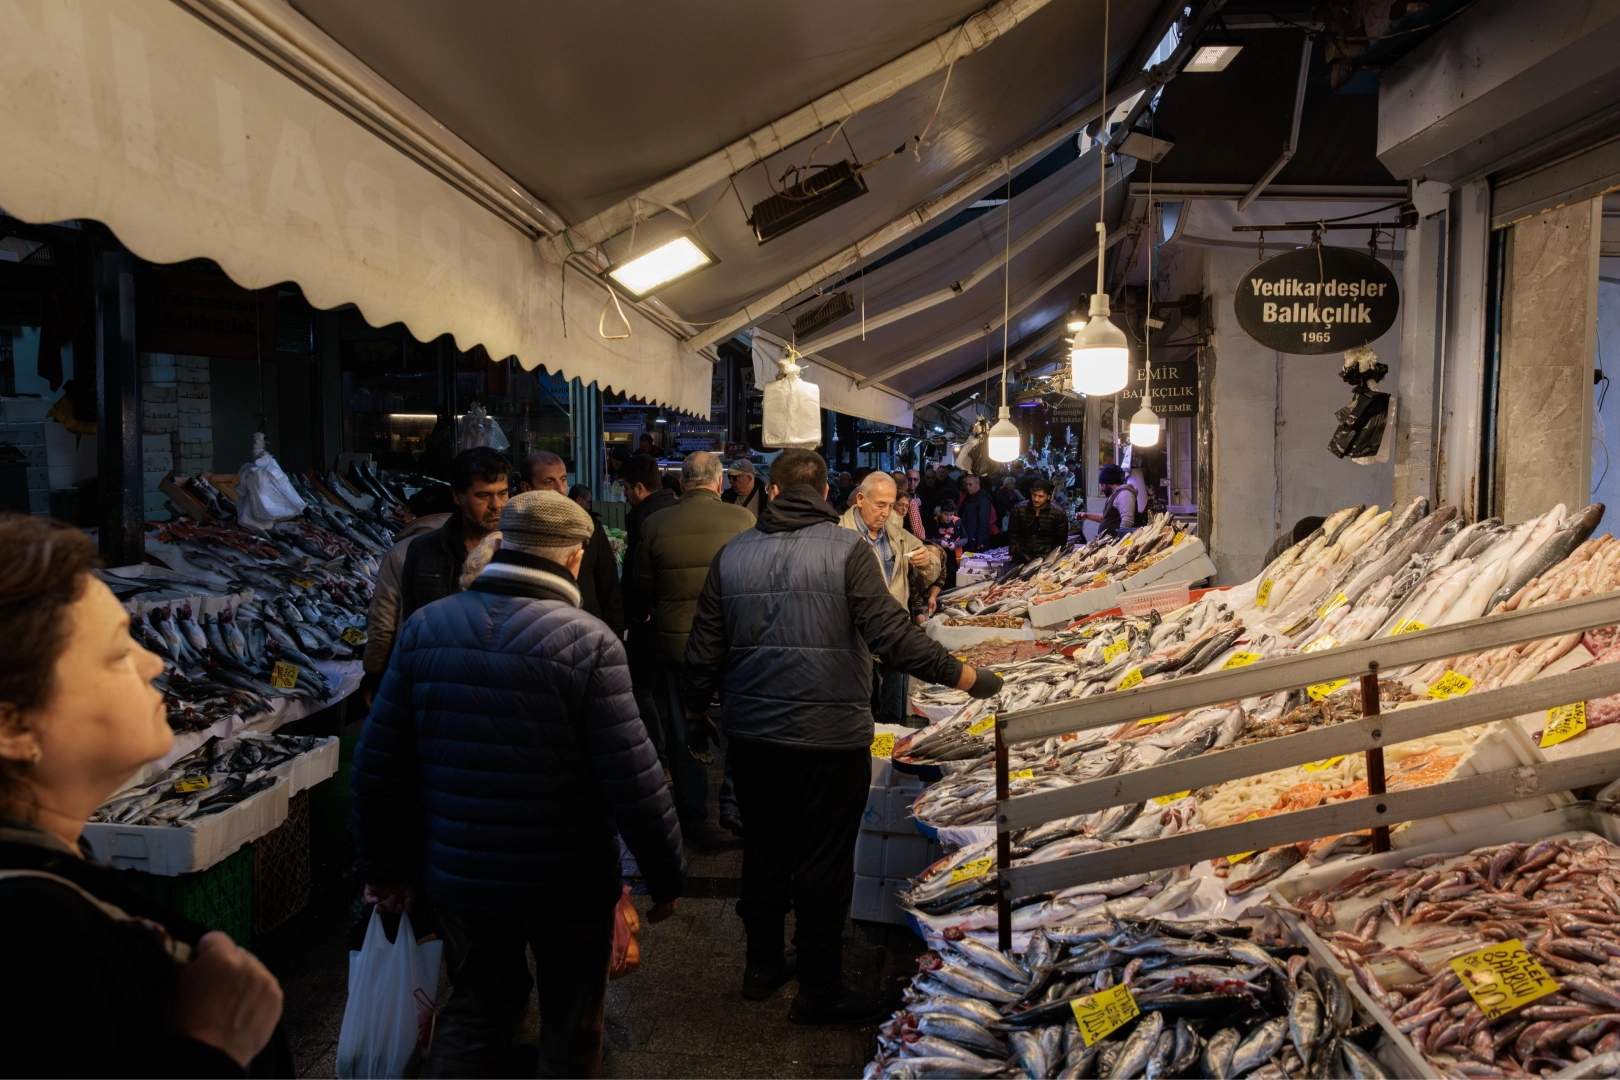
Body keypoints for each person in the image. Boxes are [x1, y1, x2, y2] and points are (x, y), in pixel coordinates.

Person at [352, 492, 685, 1080]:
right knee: (571, 1020)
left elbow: (379, 764)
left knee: (477, 1005)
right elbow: (632, 777)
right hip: (567, 879)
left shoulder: (427, 627)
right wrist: (664, 876)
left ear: (501, 545)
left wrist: (384, 867)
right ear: (575, 559)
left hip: (460, 873)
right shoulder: (590, 642)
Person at [683, 450, 1002, 1020]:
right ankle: (819, 989)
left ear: (773, 493)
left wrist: (693, 717)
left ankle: (760, 968)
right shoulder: (846, 549)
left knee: (763, 851)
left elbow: (703, 650)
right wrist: (968, 677)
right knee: (823, 861)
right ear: (829, 491)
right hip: (829, 739)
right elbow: (892, 637)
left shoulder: (731, 554)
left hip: (754, 737)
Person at [0, 514, 289, 1077]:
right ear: (12, 729)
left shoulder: (50, 883)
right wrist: (210, 1048)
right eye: (115, 654)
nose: (154, 662)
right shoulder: (30, 936)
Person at [635, 451, 754, 837]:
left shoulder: (653, 524)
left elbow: (643, 587)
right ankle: (734, 803)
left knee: (685, 725)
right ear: (718, 483)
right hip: (734, 643)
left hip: (678, 644)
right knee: (740, 721)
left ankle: (692, 814)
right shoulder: (744, 520)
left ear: (683, 482)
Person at [361, 447, 511, 701]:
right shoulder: (419, 550)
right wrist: (376, 674)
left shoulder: (521, 549)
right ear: (457, 496)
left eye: (503, 493)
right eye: (483, 495)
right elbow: (396, 625)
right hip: (435, 687)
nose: (496, 505)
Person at [837, 473, 933, 728]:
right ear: (860, 499)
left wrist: (928, 560)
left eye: (891, 506)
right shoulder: (837, 534)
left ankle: (886, 764)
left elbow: (932, 568)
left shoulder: (897, 534)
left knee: (892, 720)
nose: (886, 512)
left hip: (893, 639)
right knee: (857, 717)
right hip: (854, 642)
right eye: (880, 505)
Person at [520, 451, 624, 637]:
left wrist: (613, 638)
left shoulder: (589, 528)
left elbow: (610, 590)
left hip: (588, 635)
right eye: (548, 482)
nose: (560, 489)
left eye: (563, 479)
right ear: (527, 488)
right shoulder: (516, 532)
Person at [620, 454, 678, 761]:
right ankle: (669, 752)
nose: (625, 495)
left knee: (643, 687)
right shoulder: (676, 509)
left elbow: (637, 576)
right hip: (673, 620)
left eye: (626, 489)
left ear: (639, 488)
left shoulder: (644, 519)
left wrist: (637, 613)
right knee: (664, 691)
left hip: (649, 620)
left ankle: (655, 755)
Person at [1007, 478, 1070, 564]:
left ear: (1048, 496)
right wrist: (1012, 553)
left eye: (1041, 496)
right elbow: (1013, 534)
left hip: (1046, 558)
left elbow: (1061, 540)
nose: (1036, 499)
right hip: (1021, 557)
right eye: (1034, 495)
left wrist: (1055, 558)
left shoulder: (1058, 513)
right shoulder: (1019, 509)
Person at [1078, 464, 1138, 540]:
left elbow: (1127, 522)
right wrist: (1087, 516)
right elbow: (1106, 517)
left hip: (1116, 547)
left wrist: (1119, 543)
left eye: (1102, 484)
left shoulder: (1124, 494)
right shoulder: (1115, 494)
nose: (1101, 488)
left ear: (1109, 483)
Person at [956, 475, 994, 550]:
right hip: (969, 537)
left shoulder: (982, 499)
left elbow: (983, 521)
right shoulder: (969, 496)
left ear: (977, 484)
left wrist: (980, 540)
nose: (967, 487)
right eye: (966, 484)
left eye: (970, 484)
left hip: (976, 540)